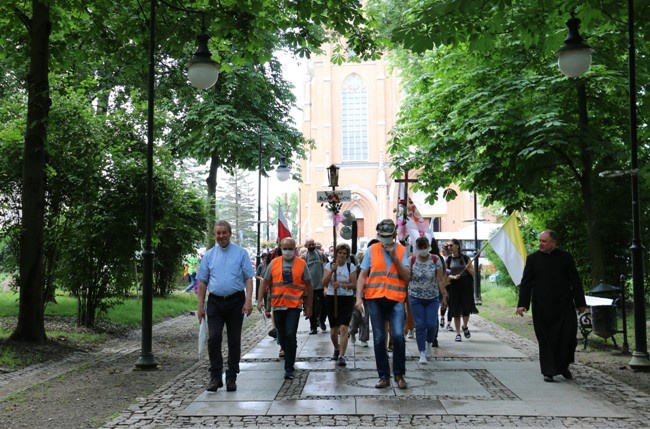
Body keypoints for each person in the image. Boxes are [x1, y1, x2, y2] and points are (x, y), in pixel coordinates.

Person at [516, 230, 587, 383]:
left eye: (544, 241)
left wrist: (580, 302)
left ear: (553, 243)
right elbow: (526, 283)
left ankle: (563, 366)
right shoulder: (533, 259)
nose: (540, 244)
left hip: (564, 305)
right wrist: (522, 304)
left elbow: (575, 280)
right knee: (546, 340)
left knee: (568, 338)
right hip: (542, 306)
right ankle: (548, 371)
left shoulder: (565, 258)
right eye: (540, 241)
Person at [196, 220, 254, 392]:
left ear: (230, 233)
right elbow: (202, 281)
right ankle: (215, 376)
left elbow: (248, 279)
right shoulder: (209, 256)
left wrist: (248, 300)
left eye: (224, 233)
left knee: (234, 340)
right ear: (214, 235)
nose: (221, 236)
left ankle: (231, 376)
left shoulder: (241, 253)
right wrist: (200, 306)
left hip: (236, 301)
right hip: (215, 302)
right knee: (213, 338)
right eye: (218, 233)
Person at [355, 219, 411, 389]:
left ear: (394, 235)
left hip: (395, 298)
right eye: (381, 236)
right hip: (375, 298)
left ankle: (399, 375)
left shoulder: (402, 250)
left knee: (398, 336)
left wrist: (394, 257)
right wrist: (358, 298)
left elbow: (407, 276)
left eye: (388, 236)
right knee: (379, 338)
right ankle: (384, 376)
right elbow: (363, 275)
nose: (384, 239)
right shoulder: (372, 249)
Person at [258, 237, 313, 380]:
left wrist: (309, 306)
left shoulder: (301, 264)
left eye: (290, 248)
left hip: (294, 306)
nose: (287, 251)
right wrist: (259, 300)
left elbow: (308, 286)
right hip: (278, 305)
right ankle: (285, 351)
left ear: (294, 248)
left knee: (290, 335)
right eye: (285, 248)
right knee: (282, 336)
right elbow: (265, 282)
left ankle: (289, 367)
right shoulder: (274, 263)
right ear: (280, 248)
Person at [408, 236, 446, 363]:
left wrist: (444, 295)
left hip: (432, 297)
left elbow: (440, 279)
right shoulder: (411, 260)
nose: (423, 250)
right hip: (415, 297)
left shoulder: (436, 259)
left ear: (428, 247)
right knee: (420, 325)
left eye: (425, 247)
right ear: (417, 248)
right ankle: (422, 353)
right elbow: (407, 277)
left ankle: (429, 342)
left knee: (431, 324)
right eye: (421, 248)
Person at [322, 243, 357, 367]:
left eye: (344, 253)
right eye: (340, 253)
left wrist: (342, 285)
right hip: (332, 298)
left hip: (346, 299)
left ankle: (342, 355)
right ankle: (336, 348)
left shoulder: (350, 266)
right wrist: (332, 270)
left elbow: (354, 284)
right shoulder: (329, 265)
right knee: (333, 330)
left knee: (343, 328)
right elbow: (324, 282)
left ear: (347, 255)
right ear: (336, 253)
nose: (341, 255)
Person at [445, 238, 478, 342]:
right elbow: (445, 275)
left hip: (466, 285)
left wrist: (468, 268)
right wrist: (453, 277)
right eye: (449, 246)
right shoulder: (448, 260)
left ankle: (465, 326)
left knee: (466, 308)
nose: (449, 247)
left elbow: (473, 273)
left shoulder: (465, 258)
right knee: (456, 309)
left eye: (451, 245)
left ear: (457, 246)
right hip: (454, 286)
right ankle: (458, 333)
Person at [302, 238, 328, 334]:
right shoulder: (304, 257)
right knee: (311, 307)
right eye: (310, 245)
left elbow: (325, 268)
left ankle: (321, 320)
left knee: (324, 305)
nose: (312, 246)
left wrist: (326, 283)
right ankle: (313, 327)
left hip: (321, 284)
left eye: (313, 244)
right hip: (310, 286)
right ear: (306, 246)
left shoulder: (321, 255)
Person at [349, 249, 370, 347]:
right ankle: (352, 332)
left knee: (365, 318)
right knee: (355, 316)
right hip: (356, 296)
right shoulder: (357, 269)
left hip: (367, 297)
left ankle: (363, 338)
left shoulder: (370, 269)